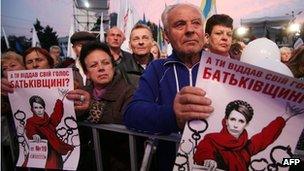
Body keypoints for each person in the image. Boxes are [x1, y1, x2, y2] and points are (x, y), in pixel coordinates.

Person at [124, 3, 214, 170]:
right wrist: (173, 115)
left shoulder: (225, 68)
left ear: (203, 31)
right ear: (166, 35)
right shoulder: (157, 69)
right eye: (180, 24)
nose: (190, 30)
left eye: (196, 23)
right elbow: (132, 113)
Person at [194, 100, 303, 171]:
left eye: (241, 121)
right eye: (233, 119)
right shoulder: (212, 139)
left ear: (246, 124)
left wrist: (285, 116)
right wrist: (207, 159)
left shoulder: (246, 146)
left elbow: (265, 136)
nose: (236, 125)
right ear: (226, 120)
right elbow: (204, 150)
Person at [79, 41, 135, 170]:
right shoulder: (82, 93)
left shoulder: (129, 92)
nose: (101, 68)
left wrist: (92, 108)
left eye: (106, 63)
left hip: (120, 163)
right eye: (94, 65)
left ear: (113, 67)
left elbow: (125, 123)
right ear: (86, 72)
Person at [23, 95, 74, 169]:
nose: (39, 110)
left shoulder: (49, 122)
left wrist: (60, 100)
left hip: (52, 152)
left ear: (44, 108)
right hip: (38, 151)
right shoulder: (30, 121)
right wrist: (34, 134)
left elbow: (57, 115)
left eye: (40, 107)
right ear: (32, 109)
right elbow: (30, 129)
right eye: (36, 108)